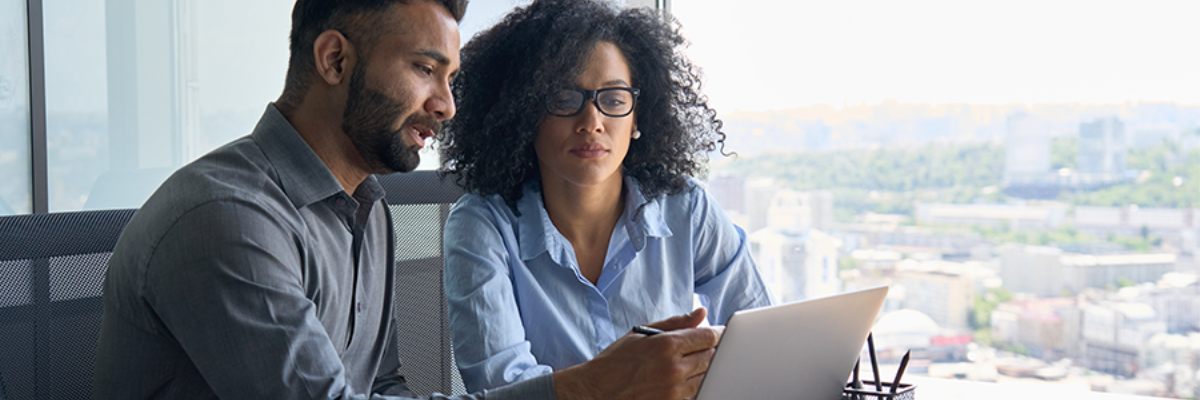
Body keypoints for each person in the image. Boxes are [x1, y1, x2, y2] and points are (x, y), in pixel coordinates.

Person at [93, 1, 722, 399]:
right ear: (334, 59)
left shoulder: (366, 205)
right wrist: (588, 389)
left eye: (450, 79)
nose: (447, 105)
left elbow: (385, 387)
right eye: (426, 70)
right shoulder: (228, 220)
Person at [438, 0, 773, 393]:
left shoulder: (687, 208)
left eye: (613, 100)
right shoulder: (481, 226)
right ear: (524, 114)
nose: (592, 123)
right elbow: (504, 388)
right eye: (564, 99)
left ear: (636, 119)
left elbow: (763, 339)